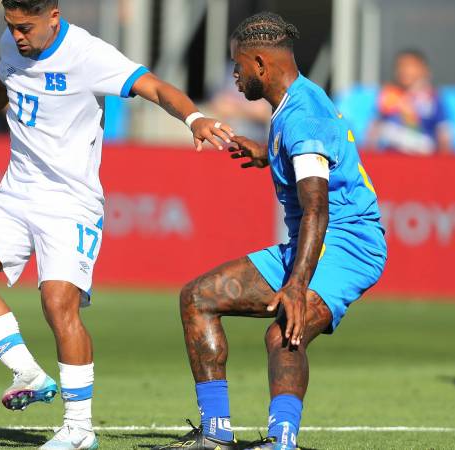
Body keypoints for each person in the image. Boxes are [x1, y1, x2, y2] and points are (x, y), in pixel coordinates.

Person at [0, 1, 233, 449]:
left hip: (70, 204)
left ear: (54, 17)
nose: (18, 37)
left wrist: (194, 118)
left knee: (57, 302)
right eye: (11, 27)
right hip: (16, 193)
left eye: (26, 28)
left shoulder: (89, 56)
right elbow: (1, 85)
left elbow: (155, 87)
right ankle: (27, 372)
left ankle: (79, 429)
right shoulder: (12, 44)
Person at [154, 12, 387, 450]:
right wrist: (267, 154)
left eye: (238, 66)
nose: (235, 76)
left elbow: (317, 207)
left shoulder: (303, 115)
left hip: (347, 242)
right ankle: (216, 434)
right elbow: (315, 165)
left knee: (284, 330)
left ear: (260, 63)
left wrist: (297, 286)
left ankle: (282, 441)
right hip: (316, 238)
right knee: (197, 298)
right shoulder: (294, 104)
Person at [367, 49, 452, 155]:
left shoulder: (433, 99)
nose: (404, 70)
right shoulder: (388, 96)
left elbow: (443, 132)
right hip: (392, 157)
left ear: (424, 70)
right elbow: (375, 129)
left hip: (424, 156)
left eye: (411, 66)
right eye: (400, 66)